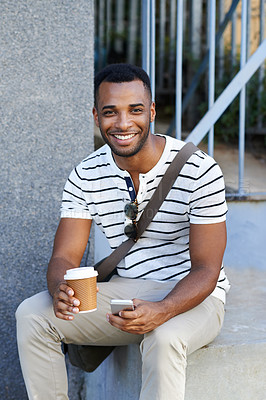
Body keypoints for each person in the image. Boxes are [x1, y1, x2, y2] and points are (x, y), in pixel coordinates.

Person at [16, 63, 230, 400]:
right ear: (96, 116)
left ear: (152, 112)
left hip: (192, 294)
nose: (123, 123)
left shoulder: (199, 170)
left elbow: (207, 268)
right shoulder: (85, 174)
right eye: (110, 112)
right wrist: (59, 287)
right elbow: (64, 255)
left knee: (164, 337)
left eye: (135, 110)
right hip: (125, 294)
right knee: (31, 314)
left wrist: (164, 309)